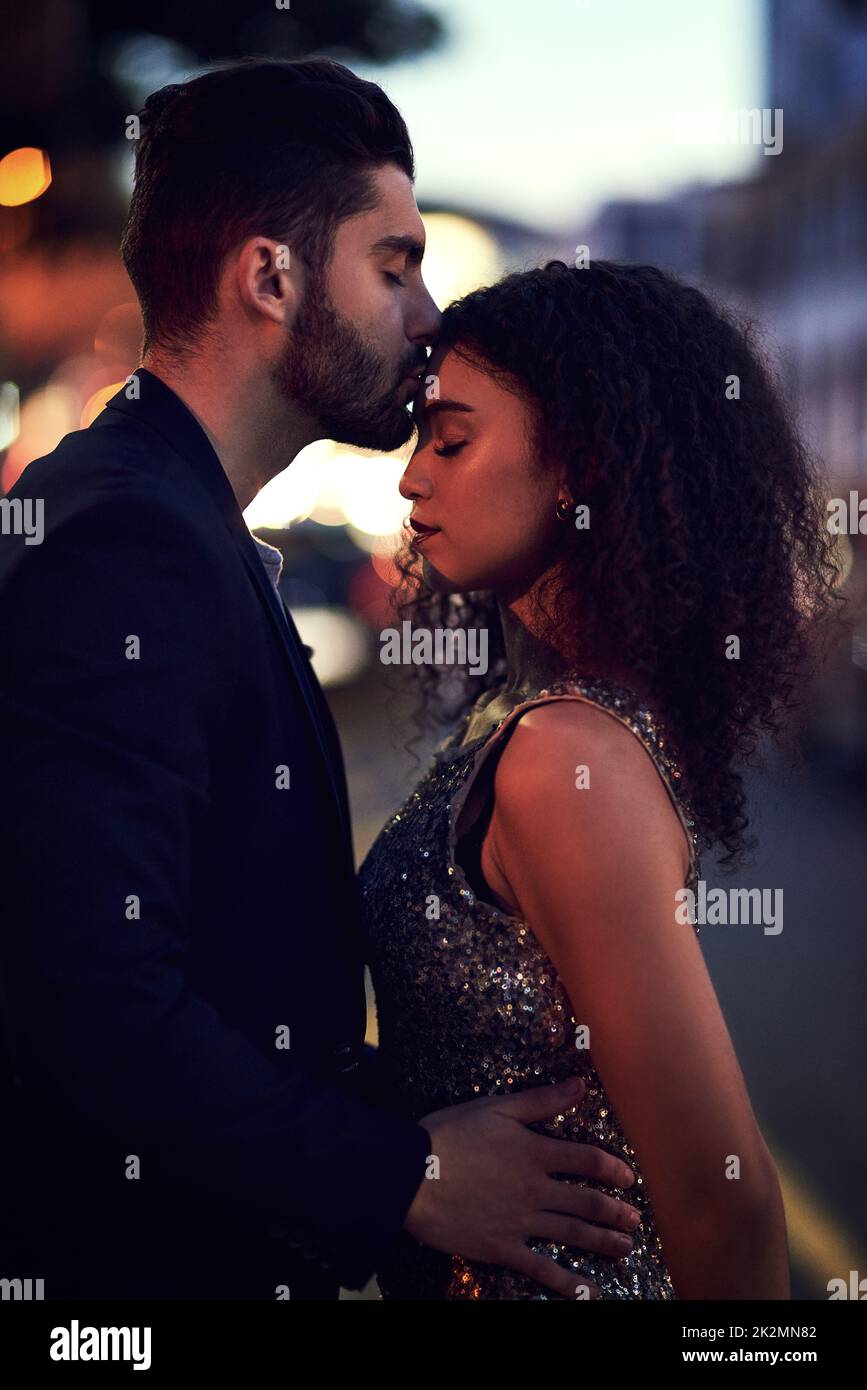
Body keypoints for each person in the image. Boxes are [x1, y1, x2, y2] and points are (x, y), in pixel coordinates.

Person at [0, 60, 637, 1301]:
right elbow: (91, 1000)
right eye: (394, 266)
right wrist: (406, 1174)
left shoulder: (159, 508)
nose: (429, 315)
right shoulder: (127, 535)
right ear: (271, 277)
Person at [360, 258, 838, 1298]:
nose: (410, 478)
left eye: (450, 439)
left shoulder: (566, 757)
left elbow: (728, 1196)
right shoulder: (556, 719)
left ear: (577, 463)